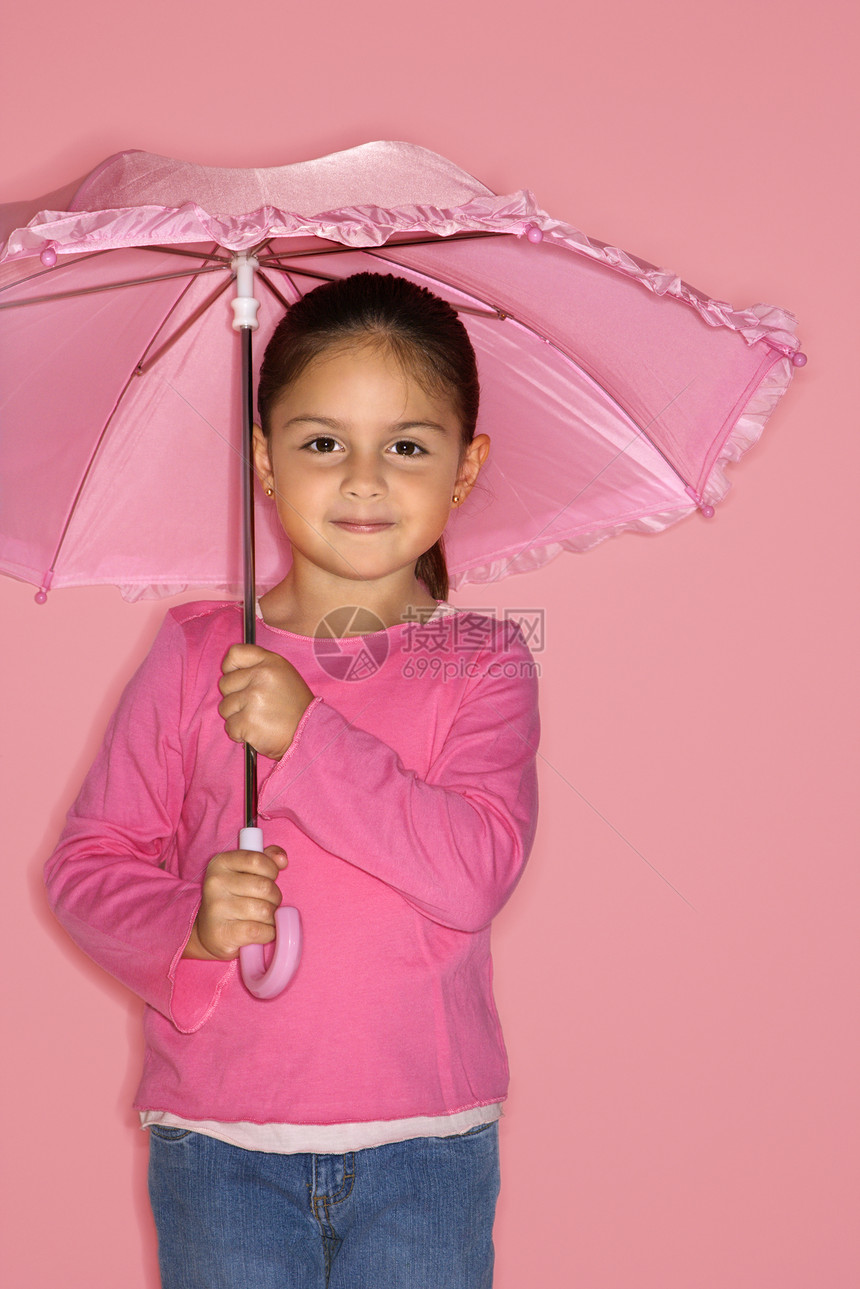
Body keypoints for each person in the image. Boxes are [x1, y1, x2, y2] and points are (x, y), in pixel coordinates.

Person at [44, 272, 540, 1289]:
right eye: (322, 443)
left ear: (463, 467)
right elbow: (88, 866)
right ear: (265, 461)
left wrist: (304, 736)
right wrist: (186, 919)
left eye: (406, 445)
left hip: (426, 1142)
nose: (363, 480)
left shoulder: (481, 661)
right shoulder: (196, 654)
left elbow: (473, 869)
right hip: (218, 1143)